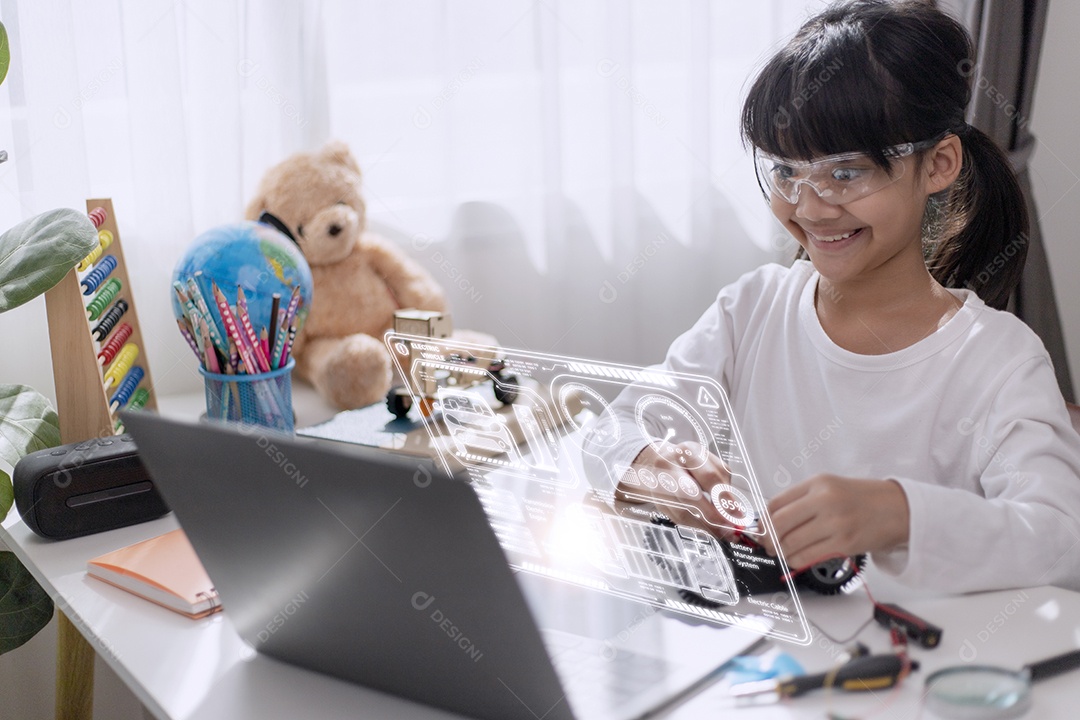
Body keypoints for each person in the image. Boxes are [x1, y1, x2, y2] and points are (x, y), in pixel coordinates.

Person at [587, 0, 1080, 594]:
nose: (810, 206)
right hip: (763, 662)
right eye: (786, 172)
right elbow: (607, 433)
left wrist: (899, 514)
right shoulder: (751, 310)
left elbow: (1059, 541)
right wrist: (646, 464)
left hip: (911, 668)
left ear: (939, 164)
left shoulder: (997, 358)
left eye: (845, 173)